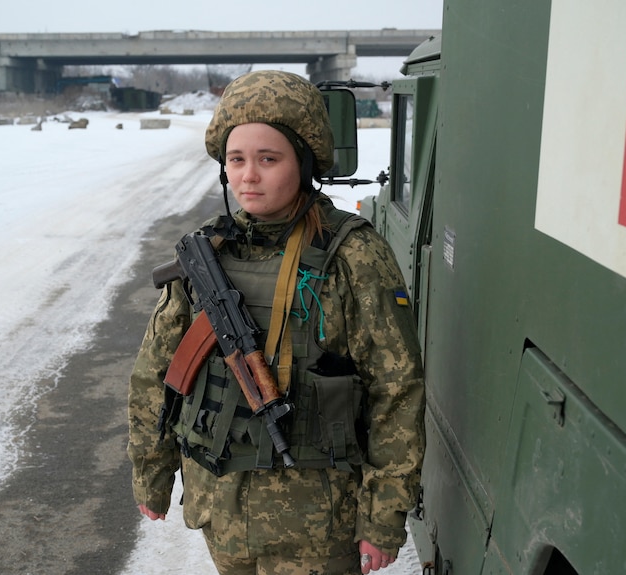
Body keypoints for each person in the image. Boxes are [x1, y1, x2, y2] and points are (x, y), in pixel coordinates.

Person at [127, 70, 426, 575]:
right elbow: (156, 374)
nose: (249, 176)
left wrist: (382, 517)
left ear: (304, 163)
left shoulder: (353, 255)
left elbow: (396, 391)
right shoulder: (206, 253)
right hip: (220, 508)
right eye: (237, 160)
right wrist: (152, 472)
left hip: (317, 522)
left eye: (269, 159)